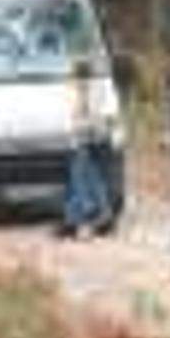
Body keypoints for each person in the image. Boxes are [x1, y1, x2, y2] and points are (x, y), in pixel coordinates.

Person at [59, 60, 120, 239]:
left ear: (82, 76)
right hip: (87, 141)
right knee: (89, 180)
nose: (75, 82)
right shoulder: (86, 90)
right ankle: (102, 218)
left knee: (81, 180)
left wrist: (87, 128)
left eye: (77, 77)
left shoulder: (96, 90)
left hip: (95, 141)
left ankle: (78, 222)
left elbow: (104, 117)